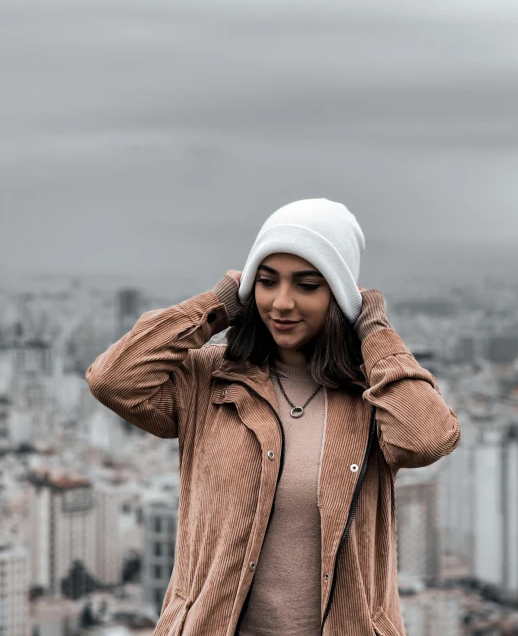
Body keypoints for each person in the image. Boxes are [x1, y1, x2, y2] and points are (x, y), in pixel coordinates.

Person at [86, 198, 461, 636]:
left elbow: (429, 438)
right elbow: (112, 379)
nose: (282, 303)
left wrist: (374, 331)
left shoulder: (371, 397)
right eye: (267, 282)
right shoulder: (210, 380)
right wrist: (218, 305)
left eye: (307, 285)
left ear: (338, 294)